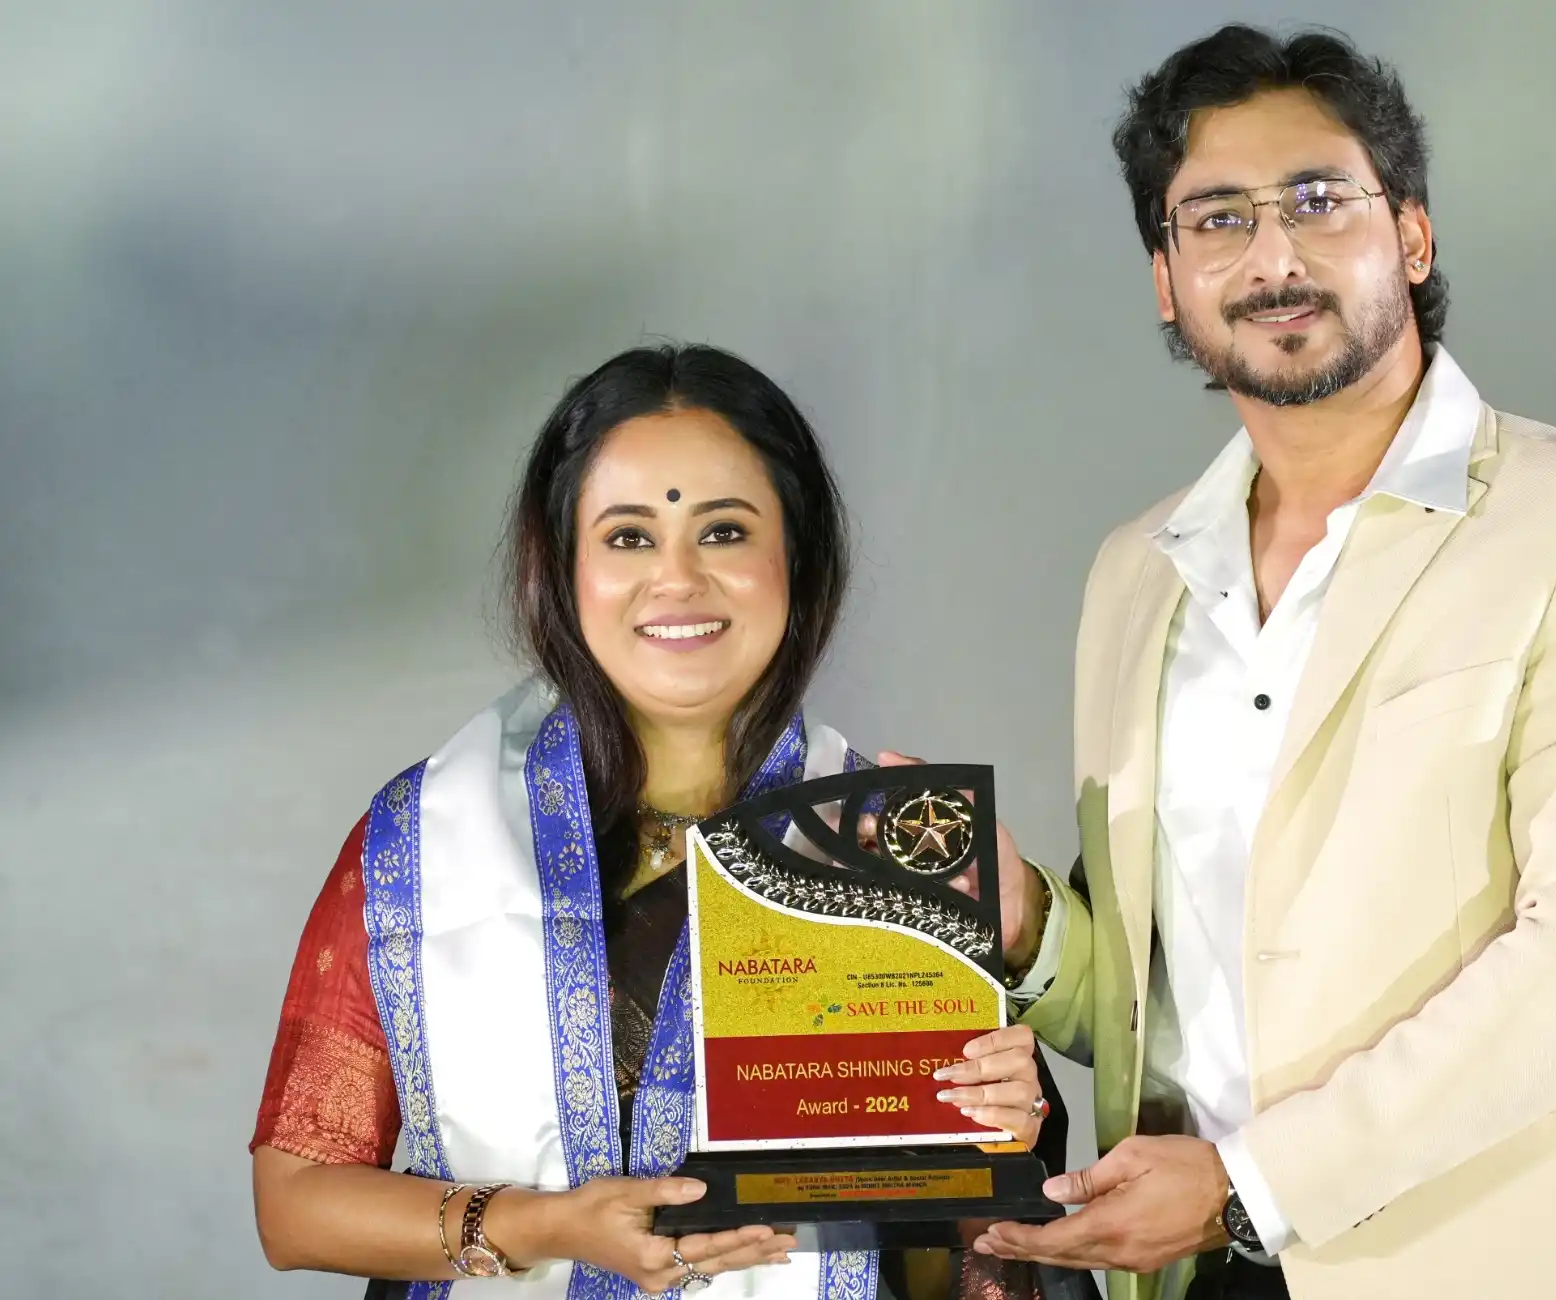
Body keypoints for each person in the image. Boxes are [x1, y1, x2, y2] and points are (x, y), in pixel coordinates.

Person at [966, 24, 1556, 1300]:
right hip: (1200, 1272)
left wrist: (1246, 1184)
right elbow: (1178, 1004)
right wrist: (1028, 928)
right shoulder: (1136, 575)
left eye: (1318, 200)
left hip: (1515, 1261)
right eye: (1216, 218)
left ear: (1413, 235)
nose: (1271, 255)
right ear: (1165, 279)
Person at [250, 344, 1070, 1300]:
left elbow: (947, 1269)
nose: (676, 580)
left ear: (796, 560)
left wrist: (990, 1159)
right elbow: (294, 1204)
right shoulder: (423, 843)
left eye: (723, 532)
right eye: (629, 537)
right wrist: (541, 1226)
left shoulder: (894, 847)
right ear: (563, 568)